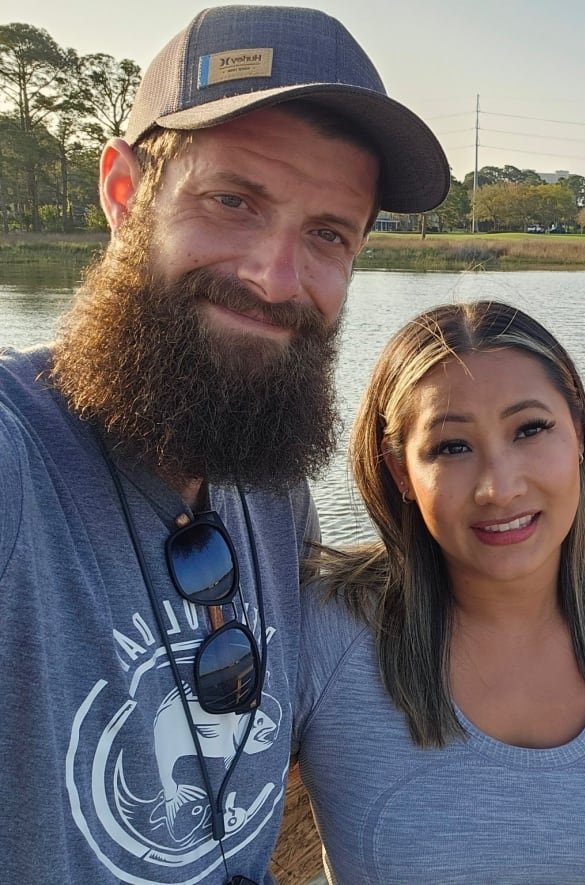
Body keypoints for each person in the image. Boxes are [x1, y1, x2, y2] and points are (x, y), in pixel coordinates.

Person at [0, 6, 449, 882]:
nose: (275, 278)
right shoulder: (17, 458)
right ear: (125, 193)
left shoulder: (269, 488)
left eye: (327, 234)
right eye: (233, 200)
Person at [294, 301, 585, 884]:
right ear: (401, 472)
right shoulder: (323, 634)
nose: (499, 487)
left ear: (577, 430)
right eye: (452, 447)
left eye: (530, 430)